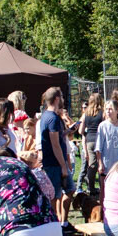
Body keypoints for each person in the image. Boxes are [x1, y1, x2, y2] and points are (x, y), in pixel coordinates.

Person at [39, 87, 74, 223]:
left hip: (56, 163)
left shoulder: (48, 116)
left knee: (70, 189)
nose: (63, 100)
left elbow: (57, 137)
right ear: (57, 99)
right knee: (54, 197)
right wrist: (63, 166)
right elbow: (55, 144)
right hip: (54, 164)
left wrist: (67, 132)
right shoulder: (51, 118)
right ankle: (54, 225)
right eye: (62, 97)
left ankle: (63, 222)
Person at [96, 100, 118, 200]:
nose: (108, 111)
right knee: (105, 188)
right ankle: (103, 211)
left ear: (117, 110)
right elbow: (98, 147)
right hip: (108, 162)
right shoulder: (103, 126)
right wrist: (100, 163)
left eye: (110, 109)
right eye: (106, 109)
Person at [77, 93, 104, 195]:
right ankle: (102, 187)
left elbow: (80, 131)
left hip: (90, 141)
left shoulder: (85, 114)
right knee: (102, 163)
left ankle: (91, 187)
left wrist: (87, 134)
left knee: (92, 165)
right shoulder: (102, 113)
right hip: (100, 140)